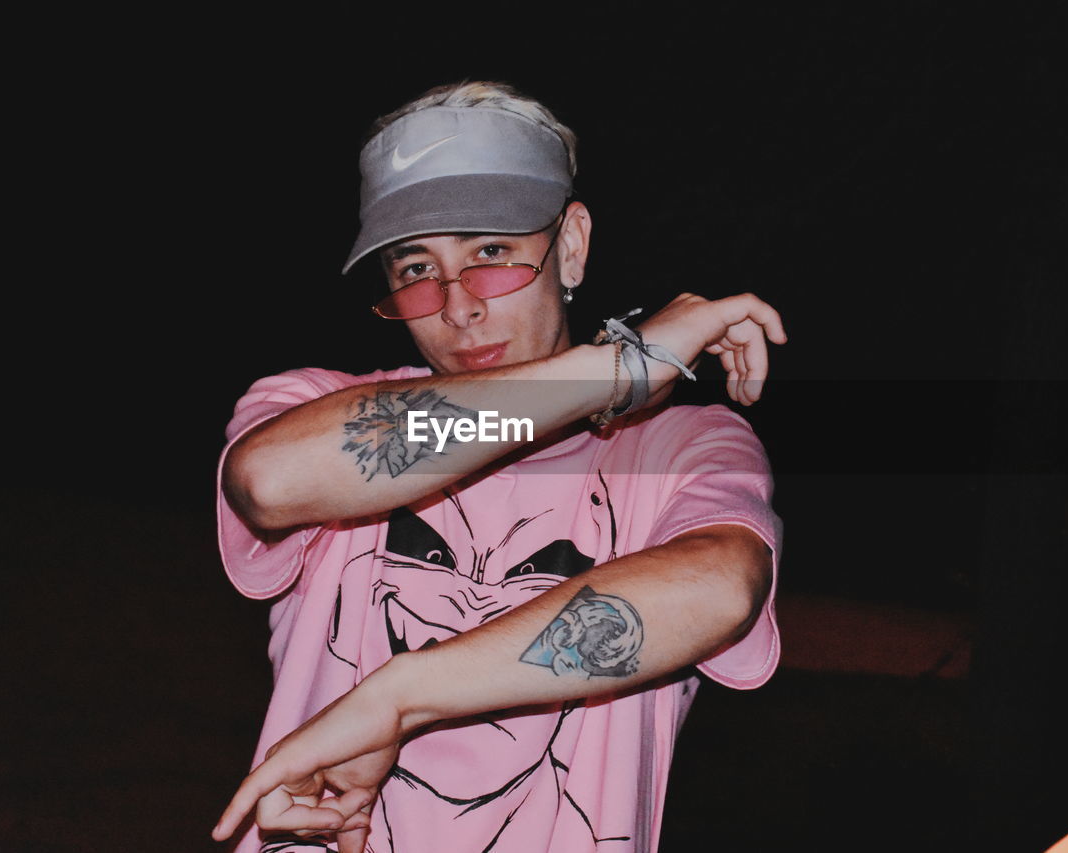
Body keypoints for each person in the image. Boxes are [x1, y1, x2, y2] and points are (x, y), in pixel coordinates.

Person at [211, 81, 788, 853]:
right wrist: (616, 371)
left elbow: (721, 586)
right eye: (415, 268)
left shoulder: (680, 447)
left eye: (491, 252)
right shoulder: (313, 403)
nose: (457, 306)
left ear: (571, 245)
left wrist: (400, 698)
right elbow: (268, 481)